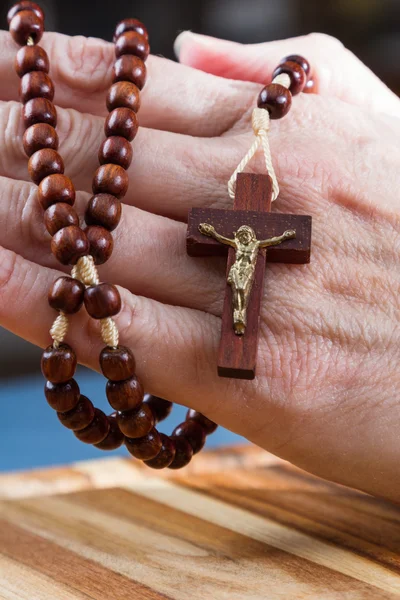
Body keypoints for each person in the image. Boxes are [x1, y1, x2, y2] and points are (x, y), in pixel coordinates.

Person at [0, 29, 399, 502]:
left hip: (243, 275)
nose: (248, 235)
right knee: (237, 292)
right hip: (233, 269)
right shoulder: (226, 232)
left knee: (240, 307)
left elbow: (284, 234)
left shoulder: (265, 235)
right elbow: (213, 231)